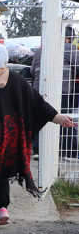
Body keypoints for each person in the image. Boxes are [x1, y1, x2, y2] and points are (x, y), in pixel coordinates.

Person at [0, 43, 75, 233]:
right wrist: (57, 118)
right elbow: (36, 102)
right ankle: (2, 208)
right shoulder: (15, 79)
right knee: (2, 171)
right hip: (9, 138)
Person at [31, 27, 79, 159]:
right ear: (68, 38)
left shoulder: (38, 50)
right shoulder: (70, 48)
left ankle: (38, 149)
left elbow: (32, 71)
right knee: (64, 117)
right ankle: (70, 152)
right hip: (60, 90)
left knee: (41, 116)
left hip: (39, 90)